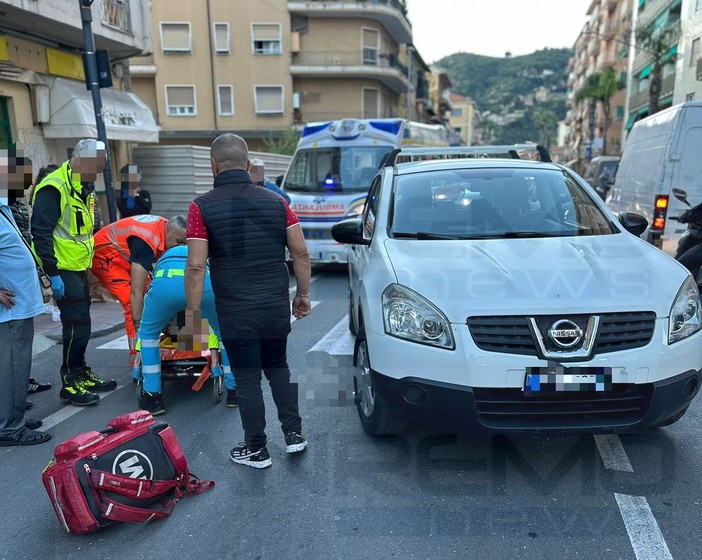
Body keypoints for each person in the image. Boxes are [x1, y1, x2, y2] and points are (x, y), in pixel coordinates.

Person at [185, 133, 311, 469]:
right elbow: (300, 251)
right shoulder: (277, 202)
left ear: (214, 166)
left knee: (246, 377)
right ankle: (294, 435)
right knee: (278, 367)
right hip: (273, 305)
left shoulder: (201, 207)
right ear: (249, 165)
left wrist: (193, 315)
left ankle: (256, 449)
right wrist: (302, 295)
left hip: (235, 309)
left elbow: (196, 265)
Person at [31, 138, 116, 407]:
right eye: (97, 166)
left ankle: (80, 372)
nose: (100, 171)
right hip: (63, 269)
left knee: (81, 325)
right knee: (76, 326)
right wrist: (52, 273)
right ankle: (70, 381)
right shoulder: (54, 187)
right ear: (81, 161)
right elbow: (40, 232)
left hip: (79, 267)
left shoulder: (84, 186)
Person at [134, 244, 236, 415]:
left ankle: (153, 396)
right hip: (204, 285)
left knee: (148, 336)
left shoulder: (162, 260)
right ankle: (235, 391)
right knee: (224, 333)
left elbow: (142, 296)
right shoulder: (203, 252)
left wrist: (137, 367)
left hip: (164, 287)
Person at [0, 146, 52, 445]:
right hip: (10, 309)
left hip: (18, 306)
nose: (28, 185)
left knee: (16, 367)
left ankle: (13, 415)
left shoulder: (5, 208)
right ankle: (9, 427)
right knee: (13, 368)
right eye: (23, 179)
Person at [91, 214, 187, 365]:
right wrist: (139, 326)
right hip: (105, 257)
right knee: (132, 303)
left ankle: (181, 343)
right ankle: (137, 356)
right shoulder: (146, 241)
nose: (181, 248)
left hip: (126, 255)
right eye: (179, 242)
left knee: (159, 293)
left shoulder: (166, 230)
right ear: (167, 231)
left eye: (185, 244)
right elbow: (136, 294)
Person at [10, 160, 55, 398]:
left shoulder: (14, 203)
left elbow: (23, 239)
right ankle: (12, 397)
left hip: (19, 283)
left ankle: (19, 387)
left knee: (20, 343)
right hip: (8, 289)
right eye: (23, 177)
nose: (28, 183)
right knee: (11, 346)